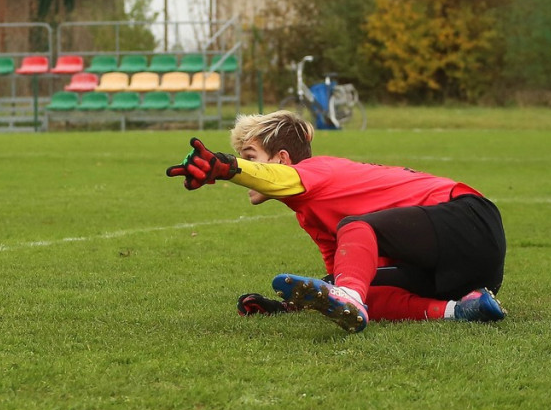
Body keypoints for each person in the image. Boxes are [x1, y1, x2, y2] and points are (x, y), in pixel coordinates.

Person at [166, 110, 506, 334]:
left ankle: (353, 297)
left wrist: (227, 167)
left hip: (470, 219)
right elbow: (344, 275)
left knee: (355, 233)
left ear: (282, 159)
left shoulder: (315, 171)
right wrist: (289, 307)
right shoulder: (309, 212)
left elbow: (277, 178)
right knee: (351, 285)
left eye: (251, 157)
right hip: (464, 272)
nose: (249, 167)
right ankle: (460, 310)